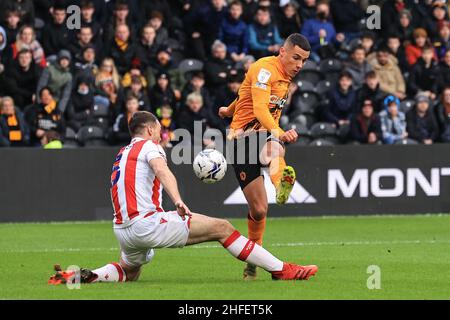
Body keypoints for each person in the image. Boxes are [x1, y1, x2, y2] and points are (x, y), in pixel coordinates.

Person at [48, 111, 318, 285]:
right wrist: (177, 199)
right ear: (151, 129)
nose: (161, 135)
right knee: (223, 228)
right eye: (160, 129)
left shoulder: (123, 152)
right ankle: (282, 269)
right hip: (147, 223)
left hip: (123, 230)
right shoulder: (151, 147)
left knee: (130, 273)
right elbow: (162, 170)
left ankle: (86, 276)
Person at [218, 34, 309, 279]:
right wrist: (278, 130)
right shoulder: (264, 70)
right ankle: (253, 261)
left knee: (274, 149)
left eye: (304, 61)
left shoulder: (285, 77)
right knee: (258, 210)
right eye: (296, 58)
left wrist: (229, 108)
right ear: (282, 52)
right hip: (241, 140)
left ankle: (281, 184)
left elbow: (244, 94)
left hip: (265, 135)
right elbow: (258, 107)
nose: (300, 65)